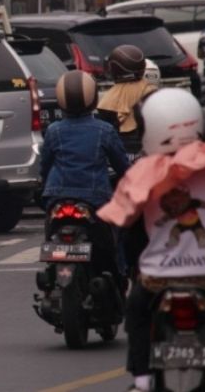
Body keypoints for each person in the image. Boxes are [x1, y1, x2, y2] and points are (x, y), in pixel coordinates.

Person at [98, 88, 205, 392]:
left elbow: (131, 232)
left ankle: (140, 381)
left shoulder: (144, 174)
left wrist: (136, 272)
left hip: (159, 281)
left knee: (137, 310)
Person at [40, 70, 131, 289]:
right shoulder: (105, 130)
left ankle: (52, 274)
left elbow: (44, 166)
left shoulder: (53, 131)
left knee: (50, 231)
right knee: (116, 238)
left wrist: (45, 188)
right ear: (93, 99)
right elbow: (123, 168)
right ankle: (120, 273)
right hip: (96, 199)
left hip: (57, 197)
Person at [97, 44, 157, 158]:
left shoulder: (108, 99)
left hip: (121, 155)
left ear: (114, 70)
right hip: (150, 152)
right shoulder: (152, 91)